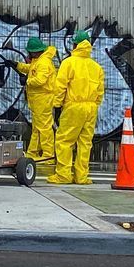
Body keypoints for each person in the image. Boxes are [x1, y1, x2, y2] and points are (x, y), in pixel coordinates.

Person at [46, 29, 104, 185]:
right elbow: (100, 92)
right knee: (85, 143)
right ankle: (81, 177)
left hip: (74, 106)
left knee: (64, 140)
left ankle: (63, 175)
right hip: (91, 107)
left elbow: (60, 86)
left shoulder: (69, 63)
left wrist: (57, 105)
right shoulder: (96, 67)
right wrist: (93, 104)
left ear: (75, 45)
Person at [15, 36, 58, 164]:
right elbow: (31, 69)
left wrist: (27, 81)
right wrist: (17, 65)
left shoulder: (43, 62)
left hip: (43, 99)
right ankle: (32, 152)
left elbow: (40, 80)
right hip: (38, 99)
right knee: (37, 127)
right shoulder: (39, 60)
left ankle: (48, 155)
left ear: (34, 51)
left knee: (44, 127)